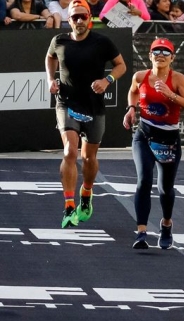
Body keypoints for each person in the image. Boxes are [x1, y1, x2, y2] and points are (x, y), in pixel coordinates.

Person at [46, 0, 126, 229]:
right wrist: (51, 79)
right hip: (66, 103)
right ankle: (69, 204)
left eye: (83, 16)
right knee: (70, 150)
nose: (79, 21)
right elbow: (50, 57)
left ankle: (87, 193)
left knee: (88, 158)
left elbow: (121, 65)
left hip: (93, 106)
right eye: (74, 17)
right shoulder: (59, 40)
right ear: (68, 19)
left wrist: (107, 80)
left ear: (90, 17)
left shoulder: (102, 42)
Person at [123, 38, 184, 249]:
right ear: (150, 56)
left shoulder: (178, 79)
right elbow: (134, 90)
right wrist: (130, 109)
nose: (161, 55)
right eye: (156, 51)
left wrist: (170, 95)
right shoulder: (140, 76)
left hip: (168, 140)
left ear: (172, 58)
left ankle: (166, 224)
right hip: (144, 135)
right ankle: (141, 232)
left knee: (165, 188)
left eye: (166, 52)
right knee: (143, 180)